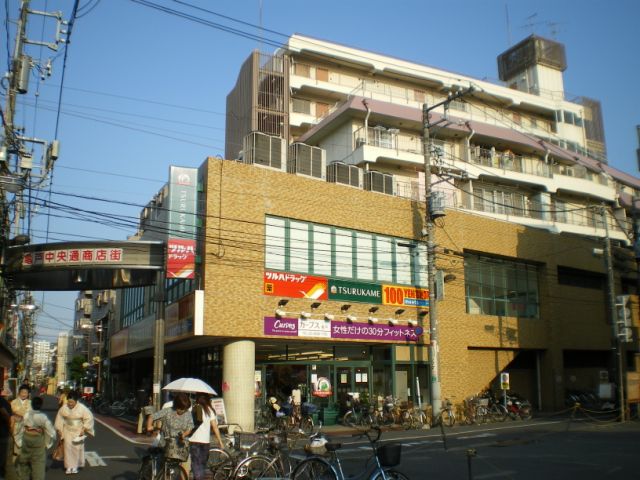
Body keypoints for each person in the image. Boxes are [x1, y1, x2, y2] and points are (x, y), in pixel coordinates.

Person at [54, 390, 94, 475]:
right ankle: (68, 466)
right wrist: (59, 429)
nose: (70, 404)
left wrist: (84, 428)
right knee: (67, 448)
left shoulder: (82, 408)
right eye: (69, 402)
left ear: (76, 401)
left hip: (78, 430)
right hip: (67, 430)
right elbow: (59, 418)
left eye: (72, 402)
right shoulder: (64, 407)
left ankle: (75, 466)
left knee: (76, 449)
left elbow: (89, 418)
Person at [15, 396, 56, 480]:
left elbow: (20, 427)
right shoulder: (43, 417)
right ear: (41, 405)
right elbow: (51, 432)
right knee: (38, 463)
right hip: (38, 439)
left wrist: (19, 441)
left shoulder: (26, 414)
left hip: (26, 437)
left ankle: (24, 477)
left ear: (31, 404)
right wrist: (47, 443)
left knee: (24, 461)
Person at [146, 393, 193, 463]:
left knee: (182, 465)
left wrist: (184, 434)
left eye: (185, 409)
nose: (183, 411)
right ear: (176, 405)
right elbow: (152, 416)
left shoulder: (188, 413)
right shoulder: (168, 411)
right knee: (162, 463)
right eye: (181, 408)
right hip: (166, 443)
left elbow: (190, 427)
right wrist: (149, 426)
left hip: (180, 446)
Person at [187, 393, 224, 480]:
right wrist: (220, 441)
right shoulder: (209, 410)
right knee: (202, 465)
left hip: (194, 440)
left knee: (196, 464)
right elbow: (215, 427)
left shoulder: (194, 408)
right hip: (205, 441)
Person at [0, 386, 13, 478]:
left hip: (3, 433)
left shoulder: (3, 403)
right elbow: (7, 416)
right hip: (4, 433)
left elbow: (5, 414)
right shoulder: (5, 403)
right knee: (3, 459)